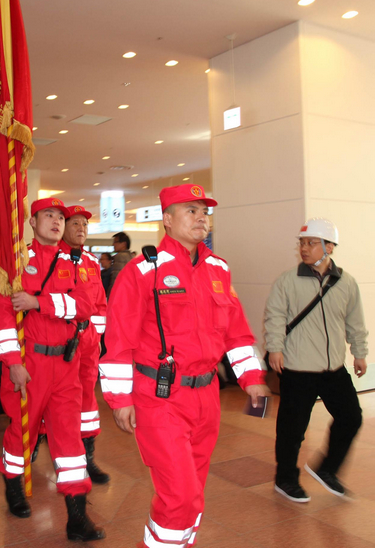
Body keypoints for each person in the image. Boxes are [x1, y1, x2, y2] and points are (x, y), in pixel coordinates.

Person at [100, 184, 268, 548]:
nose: (201, 217)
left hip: (207, 398)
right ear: (166, 219)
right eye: (190, 210)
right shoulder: (143, 270)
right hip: (160, 397)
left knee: (194, 490)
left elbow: (237, 333)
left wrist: (252, 378)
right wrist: (120, 398)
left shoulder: (219, 269)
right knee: (179, 493)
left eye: (204, 211)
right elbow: (118, 339)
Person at [0, 197, 105, 541]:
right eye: (48, 216)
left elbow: (85, 305)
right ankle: (13, 483)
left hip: (67, 363)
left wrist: (40, 302)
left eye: (60, 216)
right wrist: (12, 363)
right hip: (30, 364)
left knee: (68, 437)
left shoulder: (76, 261)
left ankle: (76, 516)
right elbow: (2, 316)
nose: (56, 221)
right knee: (22, 432)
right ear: (32, 222)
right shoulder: (15, 262)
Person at [265, 218, 368, 503]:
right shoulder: (288, 280)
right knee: (292, 429)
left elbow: (355, 321)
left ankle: (327, 469)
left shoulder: (345, 282)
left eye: (311, 243)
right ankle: (285, 479)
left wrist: (359, 352)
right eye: (302, 243)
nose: (304, 248)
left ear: (330, 247)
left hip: (333, 368)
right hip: (298, 368)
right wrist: (275, 348)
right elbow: (275, 316)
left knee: (351, 417)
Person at [60, 205, 109, 484]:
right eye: (75, 223)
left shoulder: (91, 262)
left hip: (88, 341)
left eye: (85, 225)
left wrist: (98, 340)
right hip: (60, 341)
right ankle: (47, 450)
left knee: (88, 401)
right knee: (57, 400)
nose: (81, 229)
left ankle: (87, 457)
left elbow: (100, 304)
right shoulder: (53, 259)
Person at [107, 231, 133, 297]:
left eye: (115, 242)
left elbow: (116, 279)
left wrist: (110, 295)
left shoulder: (120, 256)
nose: (113, 244)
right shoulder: (130, 256)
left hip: (119, 294)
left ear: (124, 244)